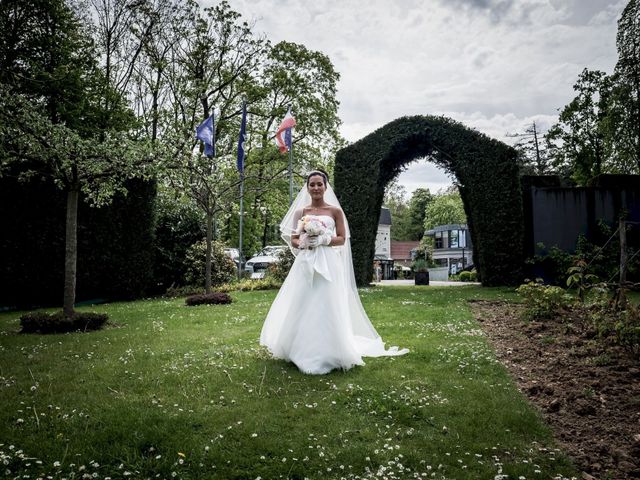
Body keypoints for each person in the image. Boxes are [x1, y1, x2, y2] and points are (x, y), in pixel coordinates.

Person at [260, 170, 408, 375]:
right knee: (303, 301)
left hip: (328, 262)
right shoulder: (300, 212)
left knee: (326, 302)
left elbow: (342, 238)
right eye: (312, 184)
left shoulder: (335, 211)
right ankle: (299, 349)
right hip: (306, 262)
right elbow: (294, 240)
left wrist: (323, 239)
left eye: (319, 184)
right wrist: (304, 241)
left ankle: (330, 350)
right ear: (307, 187)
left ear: (326, 186)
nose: (316, 188)